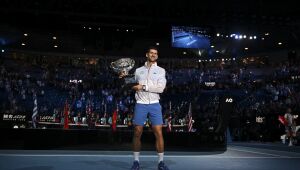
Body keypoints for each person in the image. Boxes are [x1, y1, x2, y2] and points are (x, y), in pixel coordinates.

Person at [119, 46, 169, 170]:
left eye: (155, 53)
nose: (153, 55)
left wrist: (144, 87)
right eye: (151, 53)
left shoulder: (161, 70)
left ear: (157, 56)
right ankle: (136, 162)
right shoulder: (138, 70)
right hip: (140, 103)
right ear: (147, 54)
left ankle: (161, 163)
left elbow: (160, 88)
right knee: (137, 132)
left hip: (154, 104)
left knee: (158, 133)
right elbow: (131, 84)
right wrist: (124, 78)